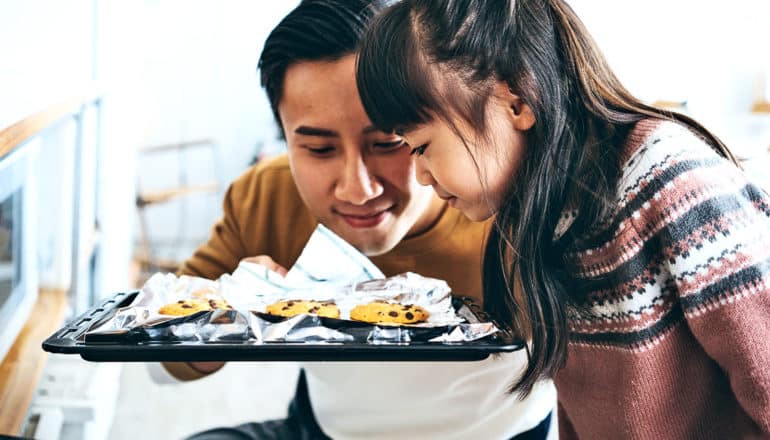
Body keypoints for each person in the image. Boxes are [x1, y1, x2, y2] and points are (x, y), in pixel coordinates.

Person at [354, 0, 770, 438]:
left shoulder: (668, 181)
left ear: (516, 101)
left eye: (420, 146)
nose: (420, 175)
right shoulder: (543, 214)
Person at [160, 1, 556, 439]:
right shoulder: (265, 199)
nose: (358, 189)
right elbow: (161, 363)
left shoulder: (517, 199)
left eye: (389, 143)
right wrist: (230, 322)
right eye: (319, 149)